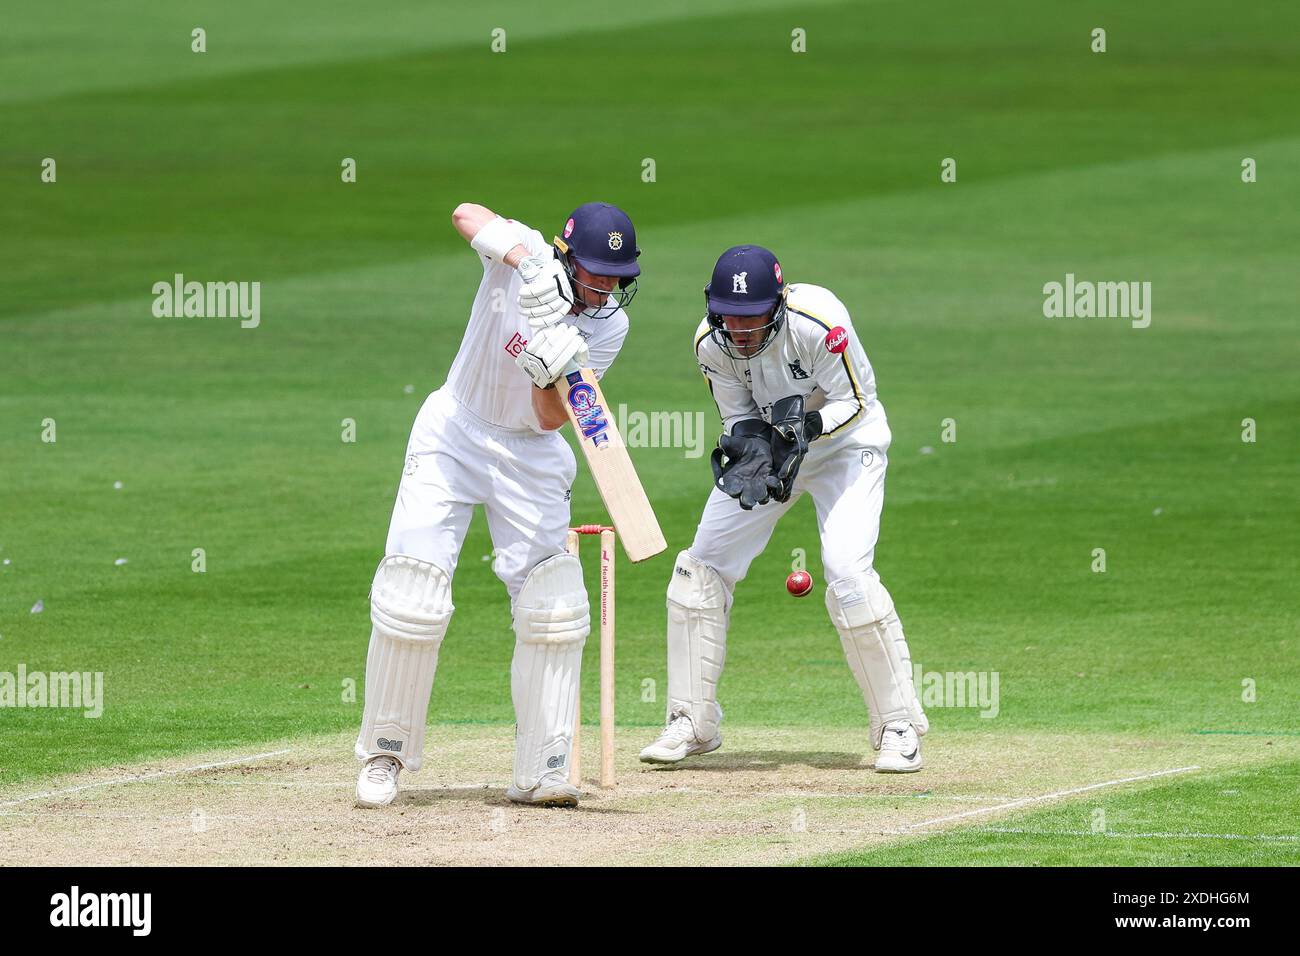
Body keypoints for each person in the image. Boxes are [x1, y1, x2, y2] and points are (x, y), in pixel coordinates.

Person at [354, 201, 641, 808]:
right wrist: (526, 264)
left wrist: (551, 369)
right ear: (566, 256)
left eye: (617, 278)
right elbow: (464, 213)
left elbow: (547, 418)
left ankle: (544, 769)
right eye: (597, 275)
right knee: (413, 592)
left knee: (554, 607)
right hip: (452, 432)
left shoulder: (607, 326)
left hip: (530, 454)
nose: (607, 289)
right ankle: (385, 752)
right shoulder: (526, 255)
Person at [639, 245, 928, 773]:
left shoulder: (819, 321)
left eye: (753, 318)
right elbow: (738, 416)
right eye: (731, 317)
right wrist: (752, 448)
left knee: (847, 576)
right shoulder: (710, 344)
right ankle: (691, 721)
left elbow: (858, 401)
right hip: (776, 452)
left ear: (779, 304)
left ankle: (898, 724)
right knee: (698, 569)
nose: (742, 330)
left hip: (846, 448)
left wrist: (808, 429)